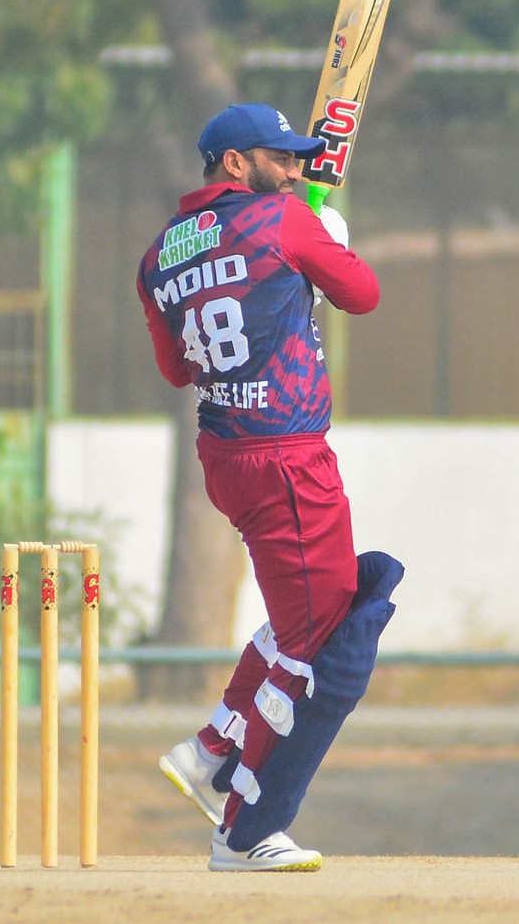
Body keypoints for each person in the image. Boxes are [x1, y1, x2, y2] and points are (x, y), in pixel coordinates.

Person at [137, 102, 402, 872]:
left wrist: (288, 285)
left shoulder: (159, 254)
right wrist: (325, 245)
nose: (293, 172)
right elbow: (364, 294)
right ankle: (242, 826)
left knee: (301, 614)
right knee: (317, 638)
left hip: (225, 455)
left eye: (296, 159)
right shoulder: (282, 222)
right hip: (287, 456)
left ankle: (211, 746)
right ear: (233, 163)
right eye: (279, 158)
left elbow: (176, 369)